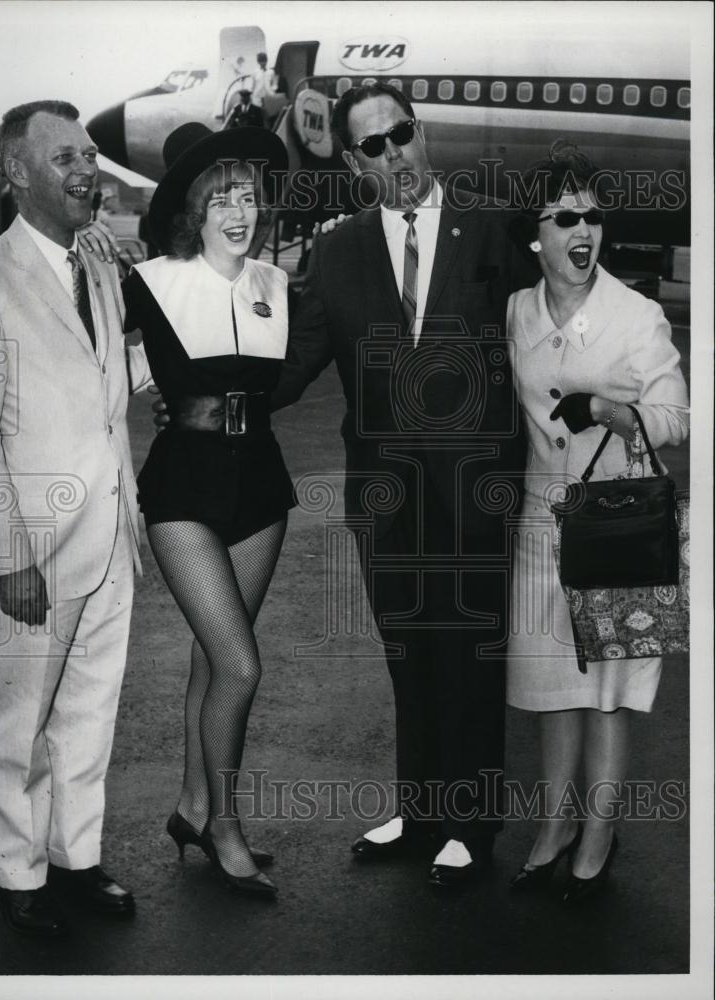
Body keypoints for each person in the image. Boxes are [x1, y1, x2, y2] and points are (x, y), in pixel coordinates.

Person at [270, 82, 533, 887]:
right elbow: (295, 361)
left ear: (424, 135)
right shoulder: (341, 248)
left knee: (470, 656)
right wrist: (198, 368)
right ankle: (420, 813)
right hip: (385, 494)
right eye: (375, 146)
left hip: (477, 488)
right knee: (409, 654)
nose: (396, 155)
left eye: (404, 134)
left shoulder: (494, 227)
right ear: (355, 162)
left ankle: (471, 822)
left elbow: (550, 325)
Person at [0, 100, 150, 937]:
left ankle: (77, 860)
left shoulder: (98, 264)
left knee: (88, 714)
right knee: (15, 722)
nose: (90, 170)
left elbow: (105, 396)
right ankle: (17, 873)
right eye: (67, 157)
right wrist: (6, 555)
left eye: (90, 155)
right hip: (28, 552)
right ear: (16, 173)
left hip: (111, 538)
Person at [504, 143, 689, 903]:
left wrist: (615, 411)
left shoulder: (638, 315)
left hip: (619, 525)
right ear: (536, 235)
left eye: (594, 216)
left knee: (610, 690)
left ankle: (600, 834)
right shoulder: (516, 310)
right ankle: (553, 827)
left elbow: (678, 417)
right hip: (545, 524)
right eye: (567, 216)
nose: (585, 231)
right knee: (554, 689)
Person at [122, 123, 292, 898]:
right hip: (183, 490)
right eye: (220, 195)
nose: (237, 209)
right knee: (240, 663)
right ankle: (226, 825)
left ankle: (193, 806)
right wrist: (140, 391)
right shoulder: (150, 280)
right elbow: (90, 354)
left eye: (248, 195)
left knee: (209, 655)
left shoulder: (276, 283)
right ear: (194, 206)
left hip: (261, 489)